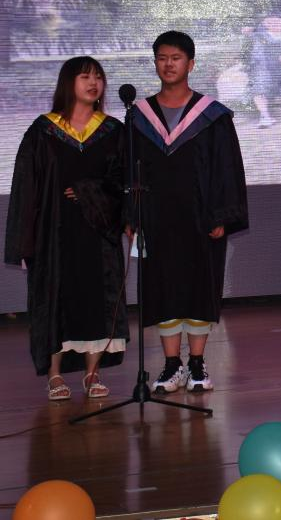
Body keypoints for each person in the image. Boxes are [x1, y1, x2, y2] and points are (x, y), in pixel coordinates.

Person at [5, 57, 129, 401]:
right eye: (85, 76)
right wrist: (25, 241)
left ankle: (92, 373)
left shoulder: (113, 131)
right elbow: (26, 188)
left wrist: (90, 190)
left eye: (98, 77)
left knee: (95, 300)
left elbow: (122, 182)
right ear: (68, 83)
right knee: (54, 299)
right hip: (53, 233)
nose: (93, 83)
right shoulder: (43, 131)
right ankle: (55, 374)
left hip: (97, 234)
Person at [133, 31, 248, 393]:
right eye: (162, 58)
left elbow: (227, 169)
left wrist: (222, 216)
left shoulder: (212, 116)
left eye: (176, 58)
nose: (168, 64)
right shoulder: (138, 116)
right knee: (164, 288)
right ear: (155, 63)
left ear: (191, 64)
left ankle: (197, 362)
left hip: (202, 218)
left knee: (200, 287)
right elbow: (128, 172)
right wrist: (132, 216)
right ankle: (172, 365)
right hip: (157, 219)